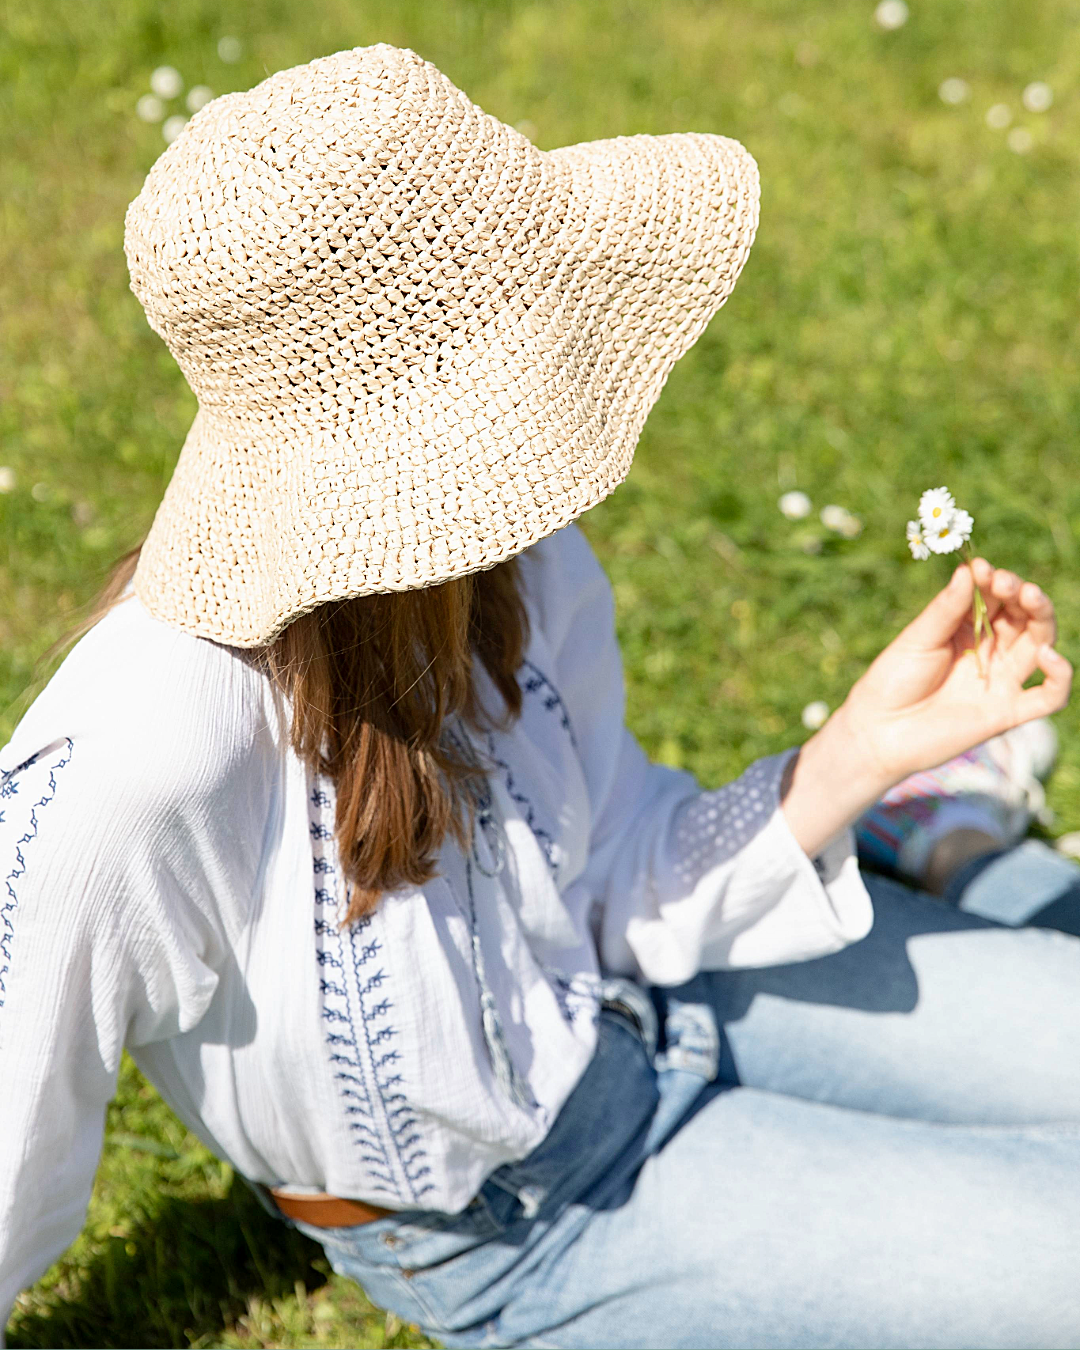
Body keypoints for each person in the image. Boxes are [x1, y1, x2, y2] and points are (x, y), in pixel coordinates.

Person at [2, 44, 1078, 1350]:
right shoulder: (146, 750)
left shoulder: (511, 559)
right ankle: (961, 845)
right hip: (529, 1220)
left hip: (661, 1000)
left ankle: (933, 821)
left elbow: (614, 866)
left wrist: (855, 751)